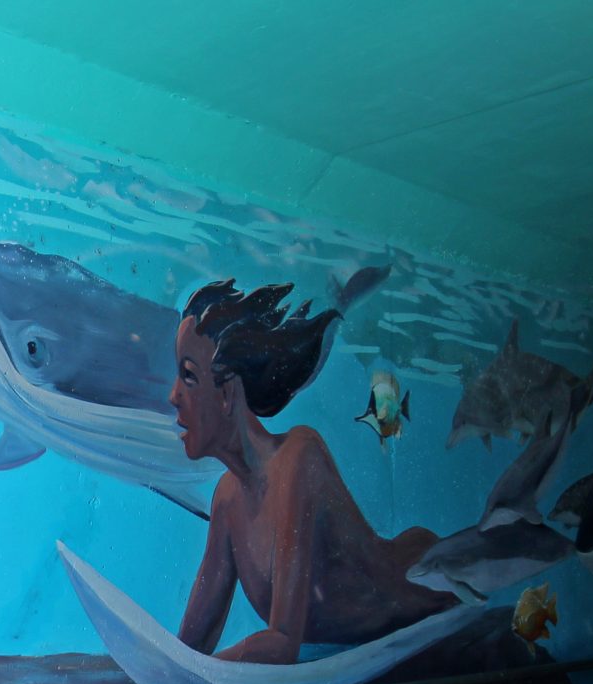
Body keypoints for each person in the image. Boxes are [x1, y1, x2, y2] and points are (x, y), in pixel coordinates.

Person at [169, 279, 455, 663]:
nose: (173, 395)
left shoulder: (298, 459)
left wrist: (203, 673)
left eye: (188, 375)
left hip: (429, 584)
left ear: (227, 394)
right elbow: (190, 647)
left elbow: (283, 642)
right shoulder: (227, 498)